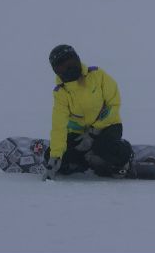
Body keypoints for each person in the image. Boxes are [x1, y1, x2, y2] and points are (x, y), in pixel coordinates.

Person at [42, 44, 133, 180]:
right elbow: (58, 126)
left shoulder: (97, 75)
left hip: (108, 126)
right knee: (51, 156)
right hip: (80, 134)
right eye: (62, 67)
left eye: (71, 63)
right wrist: (55, 157)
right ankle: (87, 161)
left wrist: (93, 133)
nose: (69, 69)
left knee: (102, 147)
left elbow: (113, 104)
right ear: (56, 71)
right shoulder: (61, 92)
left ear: (78, 60)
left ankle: (126, 154)